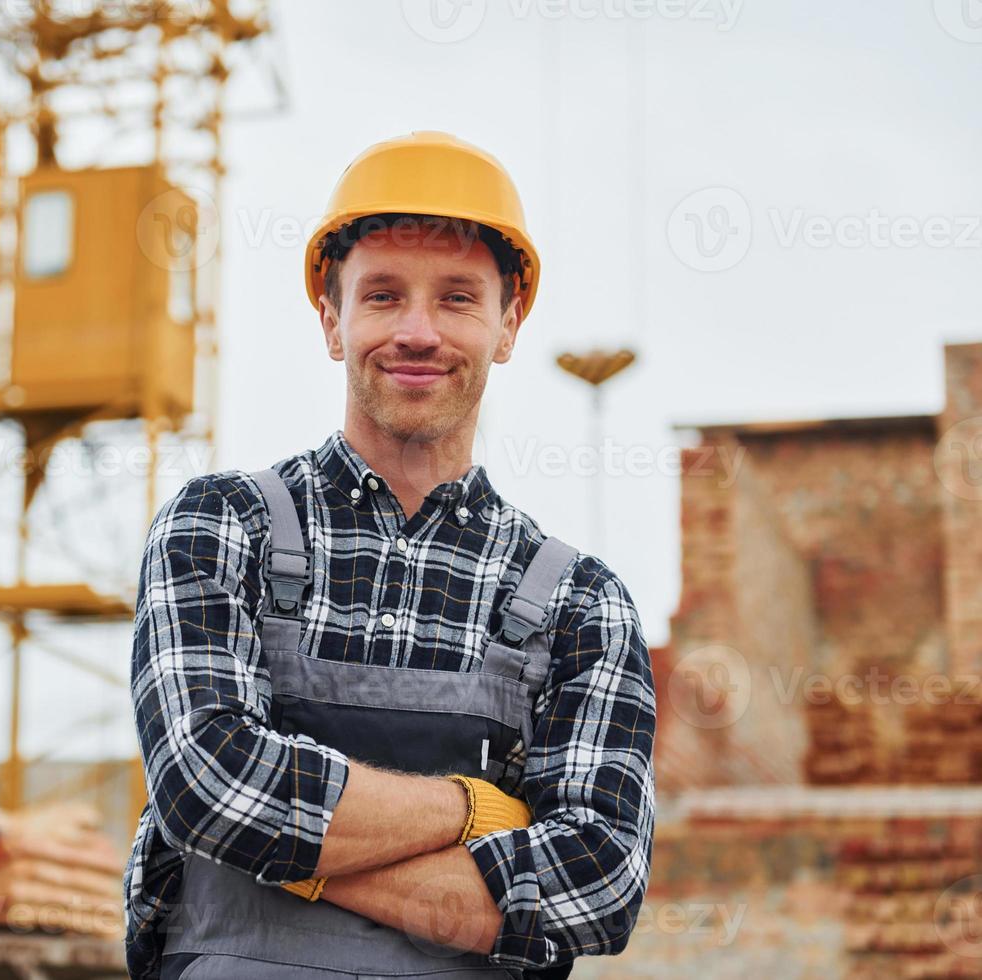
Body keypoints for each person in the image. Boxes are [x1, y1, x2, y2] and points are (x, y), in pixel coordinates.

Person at [122, 131, 656, 979]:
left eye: (456, 299)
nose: (416, 331)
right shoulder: (222, 527)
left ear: (508, 324)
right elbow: (210, 787)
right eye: (381, 296)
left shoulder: (580, 605)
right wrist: (475, 810)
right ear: (332, 320)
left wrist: (292, 853)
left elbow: (599, 883)